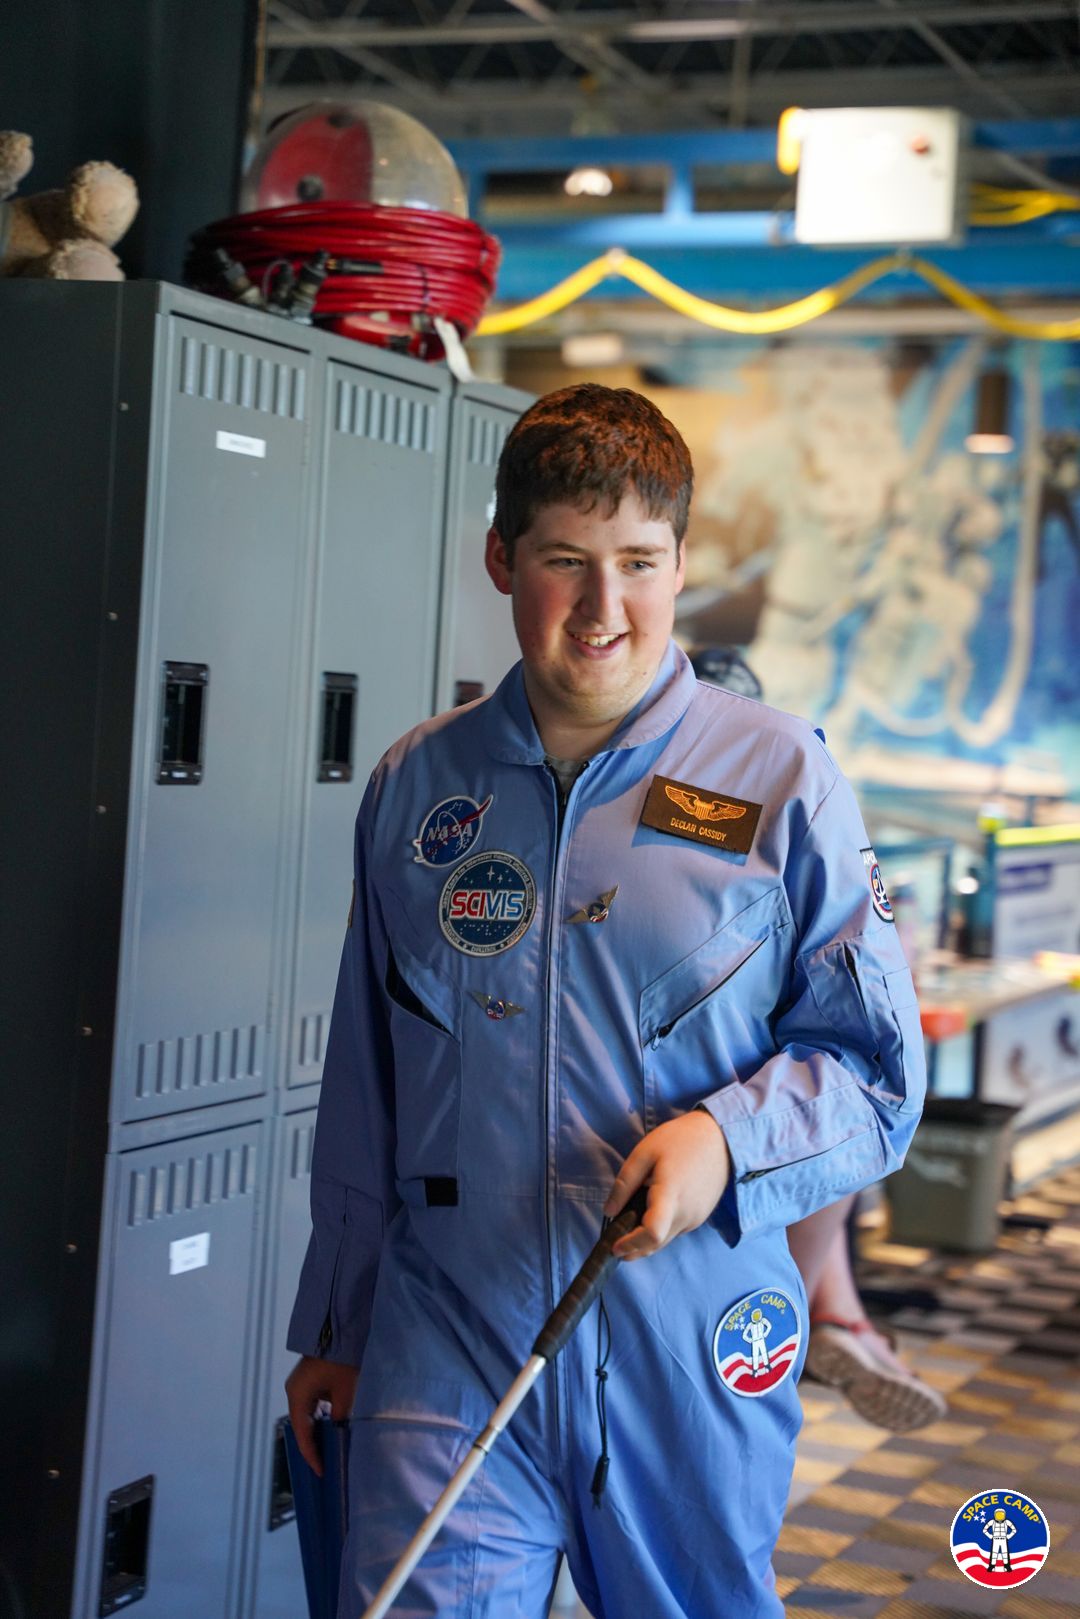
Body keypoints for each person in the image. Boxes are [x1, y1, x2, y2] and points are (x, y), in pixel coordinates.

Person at [285, 384, 927, 1619]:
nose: (603, 609)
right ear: (501, 559)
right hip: (448, 1330)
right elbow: (368, 1077)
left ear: (681, 564)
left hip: (690, 1340)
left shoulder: (782, 775)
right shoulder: (420, 782)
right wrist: (341, 1314)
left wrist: (722, 1141)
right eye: (564, 561)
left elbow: (877, 1077)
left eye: (638, 563)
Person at [689, 647, 946, 1435]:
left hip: (743, 1090)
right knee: (826, 1115)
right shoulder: (765, 783)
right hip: (739, 1088)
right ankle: (829, 1318)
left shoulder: (767, 783)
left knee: (834, 1107)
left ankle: (831, 1315)